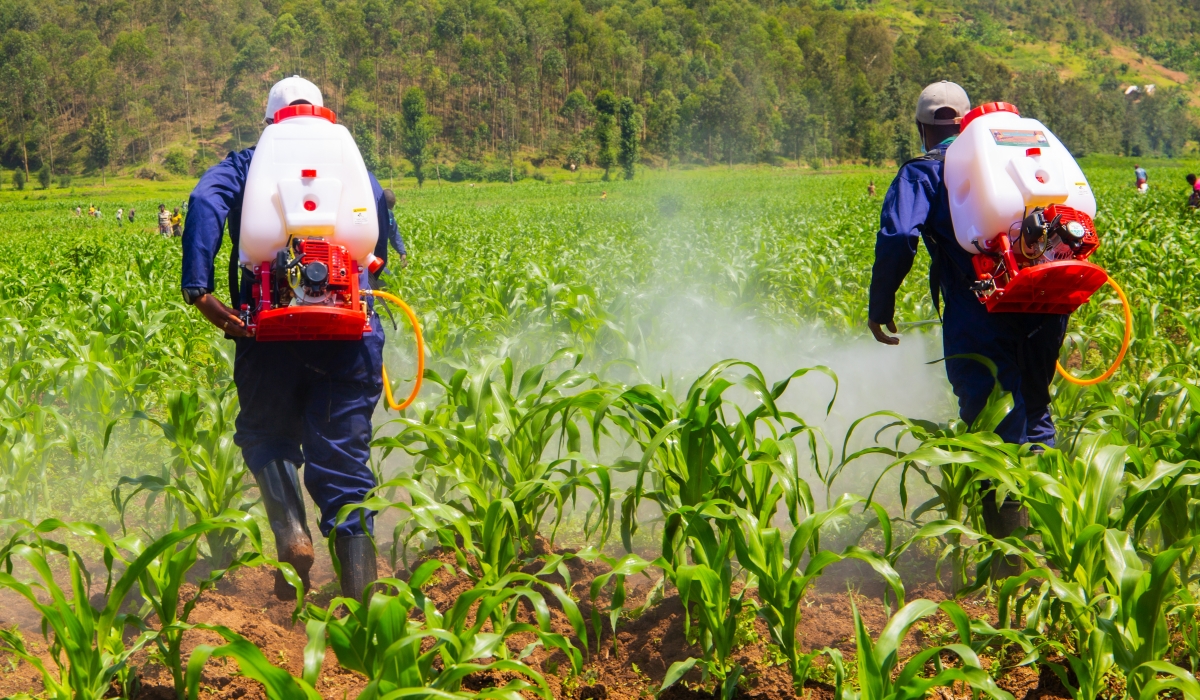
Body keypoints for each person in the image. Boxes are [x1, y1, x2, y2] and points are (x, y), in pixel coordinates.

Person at [180, 75, 392, 604]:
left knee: (265, 433)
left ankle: (292, 534)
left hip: (268, 325)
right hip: (348, 328)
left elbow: (204, 201)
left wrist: (201, 292)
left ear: (271, 119)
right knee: (344, 465)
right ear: (322, 114)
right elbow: (380, 208)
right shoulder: (348, 160)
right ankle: (365, 610)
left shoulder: (250, 162)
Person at [867, 80, 1067, 577]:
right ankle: (1056, 540)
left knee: (987, 424)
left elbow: (898, 236)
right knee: (1035, 409)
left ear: (923, 127)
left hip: (979, 310)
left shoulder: (925, 170)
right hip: (1045, 304)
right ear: (968, 119)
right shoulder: (1009, 157)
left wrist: (881, 302)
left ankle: (1008, 562)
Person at [381, 189, 407, 268]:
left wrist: (402, 252)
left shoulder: (389, 215)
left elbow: (394, 234)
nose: (390, 210)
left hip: (380, 255)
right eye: (389, 207)